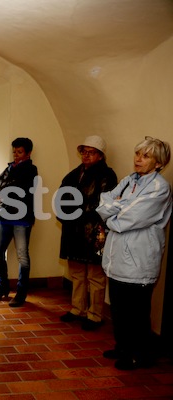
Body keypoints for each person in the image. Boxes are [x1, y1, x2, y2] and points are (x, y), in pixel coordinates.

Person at [96, 136, 171, 371]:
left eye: (146, 156)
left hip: (139, 260)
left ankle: (139, 354)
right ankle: (123, 346)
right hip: (117, 257)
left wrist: (116, 209)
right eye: (138, 154)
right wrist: (118, 207)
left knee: (136, 313)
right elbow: (103, 204)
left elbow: (127, 220)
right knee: (119, 308)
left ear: (158, 163)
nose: (139, 159)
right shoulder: (129, 180)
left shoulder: (159, 188)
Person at [58, 136, 117, 331]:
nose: (86, 155)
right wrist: (65, 215)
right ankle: (77, 309)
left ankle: (95, 315)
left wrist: (78, 215)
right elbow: (62, 197)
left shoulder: (108, 176)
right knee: (76, 273)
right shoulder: (74, 174)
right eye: (84, 151)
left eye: (91, 152)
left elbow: (102, 204)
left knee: (95, 275)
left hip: (95, 231)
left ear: (100, 156)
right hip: (73, 230)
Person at [0, 137, 38, 307]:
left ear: (28, 153)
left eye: (19, 152)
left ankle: (21, 293)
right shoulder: (9, 167)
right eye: (14, 152)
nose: (16, 155)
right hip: (4, 216)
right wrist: (8, 186)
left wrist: (7, 186)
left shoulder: (31, 170)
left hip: (22, 219)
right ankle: (3, 287)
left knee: (22, 256)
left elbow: (19, 191)